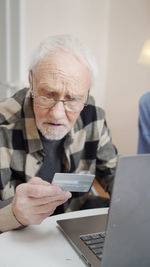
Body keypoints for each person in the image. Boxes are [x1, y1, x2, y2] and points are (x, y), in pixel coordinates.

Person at [0, 34, 117, 233]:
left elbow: (114, 174)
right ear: (31, 80)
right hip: (17, 237)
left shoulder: (92, 115)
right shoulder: (3, 125)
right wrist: (13, 213)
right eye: (48, 94)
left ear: (87, 93)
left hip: (70, 225)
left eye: (72, 99)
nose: (57, 114)